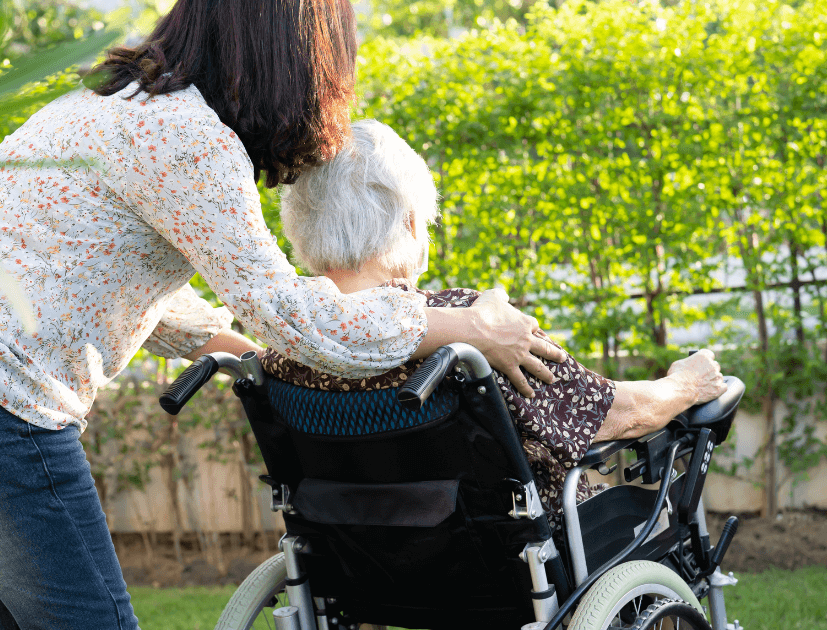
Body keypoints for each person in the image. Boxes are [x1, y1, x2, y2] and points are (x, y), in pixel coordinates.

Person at [0, 2, 568, 629]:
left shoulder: (112, 103)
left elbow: (105, 287)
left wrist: (233, 343)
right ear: (292, 54)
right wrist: (466, 326)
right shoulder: (189, 137)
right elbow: (296, 317)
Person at [259, 119, 729, 517]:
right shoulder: (471, 327)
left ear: (300, 226)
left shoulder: (285, 348)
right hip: (516, 567)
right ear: (408, 222)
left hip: (367, 568)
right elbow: (614, 415)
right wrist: (688, 385)